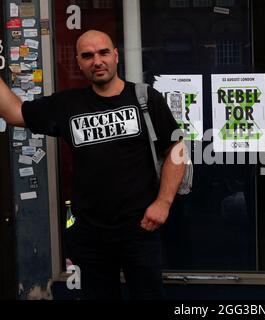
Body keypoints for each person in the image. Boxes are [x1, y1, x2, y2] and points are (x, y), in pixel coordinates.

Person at [0, 30, 185, 300]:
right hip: (91, 233)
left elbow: (177, 150)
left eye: (103, 53)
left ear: (116, 55)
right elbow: (14, 112)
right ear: (78, 62)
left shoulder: (145, 98)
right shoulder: (68, 104)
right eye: (87, 56)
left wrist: (163, 203)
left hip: (141, 227)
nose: (96, 61)